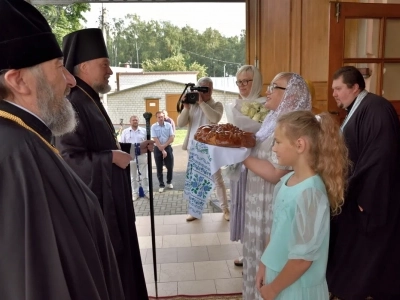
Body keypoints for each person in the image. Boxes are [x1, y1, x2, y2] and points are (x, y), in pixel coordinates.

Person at [0, 1, 129, 298]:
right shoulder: (15, 156)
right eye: (59, 67)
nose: (70, 80)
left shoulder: (26, 137)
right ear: (18, 80)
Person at [56, 28, 151, 300]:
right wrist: (109, 158)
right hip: (99, 209)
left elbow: (101, 144)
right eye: (105, 65)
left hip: (114, 202)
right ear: (84, 66)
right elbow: (69, 160)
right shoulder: (72, 103)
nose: (110, 71)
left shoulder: (90, 98)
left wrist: (133, 148)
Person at [256, 110, 348, 300]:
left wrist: (273, 289)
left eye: (278, 142)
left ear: (299, 145)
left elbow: (302, 259)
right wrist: (264, 265)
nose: (274, 148)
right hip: (277, 275)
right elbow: (276, 230)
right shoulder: (286, 181)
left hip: (296, 287)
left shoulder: (311, 193)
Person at [327, 66, 400, 300]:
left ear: (355, 87)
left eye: (338, 89)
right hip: (357, 193)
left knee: (368, 253)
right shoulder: (360, 108)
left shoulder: (376, 109)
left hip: (370, 198)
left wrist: (367, 198)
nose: (334, 94)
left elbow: (382, 156)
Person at [241, 73, 312, 300]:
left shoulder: (294, 126)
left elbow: (275, 172)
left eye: (275, 87)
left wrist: (237, 155)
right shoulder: (273, 119)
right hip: (257, 200)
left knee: (270, 258)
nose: (267, 91)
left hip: (272, 201)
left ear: (291, 95)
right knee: (256, 258)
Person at [177, 77, 230, 222]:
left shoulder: (216, 104)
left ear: (212, 90)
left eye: (208, 89)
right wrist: (186, 107)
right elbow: (180, 123)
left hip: (210, 148)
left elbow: (214, 118)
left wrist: (201, 102)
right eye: (202, 88)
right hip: (193, 148)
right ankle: (195, 211)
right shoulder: (192, 105)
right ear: (197, 88)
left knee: (217, 179)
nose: (205, 92)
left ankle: (225, 209)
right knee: (196, 181)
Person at [230, 65, 266, 266]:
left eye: (247, 81)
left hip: (259, 162)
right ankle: (246, 249)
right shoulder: (235, 106)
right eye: (239, 81)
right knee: (240, 204)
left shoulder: (266, 105)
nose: (242, 85)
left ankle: (260, 252)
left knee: (254, 207)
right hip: (240, 163)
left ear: (257, 82)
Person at [120, 115, 149, 200]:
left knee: (145, 175)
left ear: (138, 121)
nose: (135, 121)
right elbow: (122, 144)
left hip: (142, 156)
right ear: (130, 122)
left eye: (136, 120)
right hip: (131, 157)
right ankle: (135, 193)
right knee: (133, 176)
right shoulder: (125, 132)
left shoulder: (144, 131)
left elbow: (148, 144)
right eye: (133, 120)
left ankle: (146, 191)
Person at [151, 111, 175, 193]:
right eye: (159, 117)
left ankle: (169, 182)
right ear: (156, 118)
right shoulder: (153, 126)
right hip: (157, 148)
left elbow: (172, 137)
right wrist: (161, 149)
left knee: (170, 166)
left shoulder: (168, 125)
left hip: (167, 147)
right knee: (159, 167)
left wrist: (164, 147)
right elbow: (155, 139)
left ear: (164, 117)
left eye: (162, 117)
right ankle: (161, 185)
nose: (161, 118)